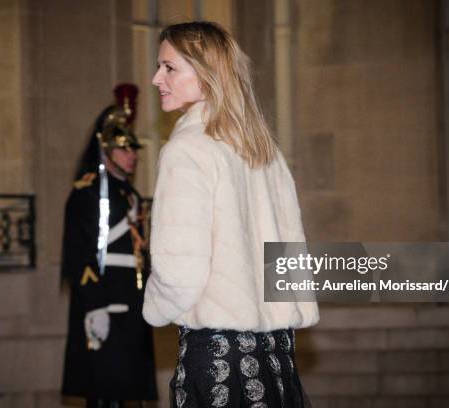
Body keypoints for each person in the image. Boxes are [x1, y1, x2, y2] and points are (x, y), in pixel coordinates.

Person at [143, 22, 319, 407]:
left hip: (219, 356)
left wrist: (154, 304)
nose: (157, 78)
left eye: (169, 68)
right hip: (275, 357)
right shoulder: (264, 151)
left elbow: (179, 271)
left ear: (206, 75)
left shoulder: (187, 150)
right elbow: (288, 261)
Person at [61, 84, 157, 408]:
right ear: (105, 149)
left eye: (134, 148)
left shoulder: (128, 194)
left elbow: (140, 251)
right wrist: (94, 305)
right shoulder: (88, 192)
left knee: (130, 391)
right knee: (104, 394)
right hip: (105, 301)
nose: (132, 155)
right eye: (124, 148)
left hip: (132, 301)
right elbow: (79, 254)